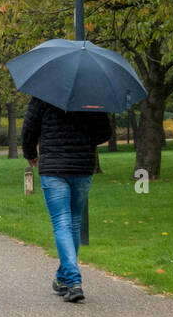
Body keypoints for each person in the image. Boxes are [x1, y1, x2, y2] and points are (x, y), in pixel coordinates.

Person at [21, 97, 112, 303]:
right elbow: (104, 133)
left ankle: (72, 280)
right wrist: (84, 135)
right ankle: (63, 277)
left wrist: (30, 153)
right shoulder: (92, 96)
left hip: (53, 166)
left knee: (62, 223)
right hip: (82, 165)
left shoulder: (43, 94)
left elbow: (29, 129)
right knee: (74, 222)